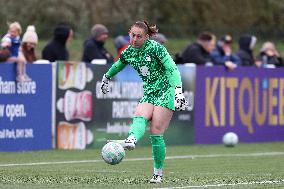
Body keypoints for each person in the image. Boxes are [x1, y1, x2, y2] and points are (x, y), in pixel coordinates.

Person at [101, 21, 188, 183]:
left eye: (139, 36)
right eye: (132, 35)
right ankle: (131, 140)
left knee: (155, 132)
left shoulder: (155, 48)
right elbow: (118, 65)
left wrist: (177, 92)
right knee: (140, 114)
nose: (134, 39)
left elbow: (172, 69)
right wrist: (106, 77)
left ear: (146, 37)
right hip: (150, 91)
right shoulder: (128, 52)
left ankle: (157, 174)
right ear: (129, 33)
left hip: (166, 90)